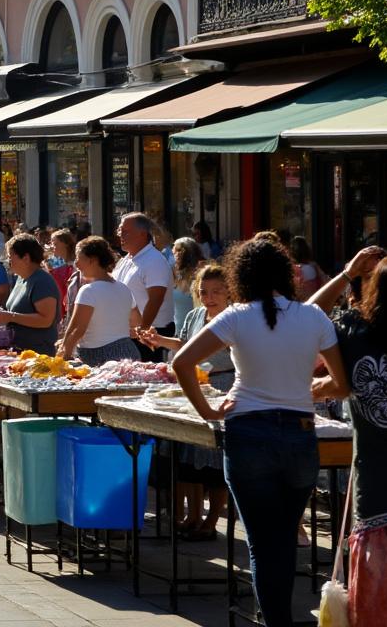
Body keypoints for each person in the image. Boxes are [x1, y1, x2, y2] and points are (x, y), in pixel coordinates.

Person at [170, 239, 346, 627]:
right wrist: (315, 389)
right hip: (299, 433)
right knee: (283, 539)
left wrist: (207, 410)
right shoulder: (314, 317)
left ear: (240, 276)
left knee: (263, 544)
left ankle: (277, 620)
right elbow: (343, 382)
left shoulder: (236, 316)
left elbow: (182, 363)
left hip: (248, 432)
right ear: (285, 274)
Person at [299, 246, 387, 624]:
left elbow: (306, 319)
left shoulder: (356, 332)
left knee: (383, 598)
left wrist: (346, 274)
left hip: (379, 490)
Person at [137, 264, 234, 542]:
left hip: (222, 385)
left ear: (229, 292)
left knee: (214, 459)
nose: (209, 297)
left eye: (216, 291)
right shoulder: (195, 315)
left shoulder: (233, 318)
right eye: (204, 292)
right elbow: (185, 343)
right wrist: (159, 339)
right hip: (194, 387)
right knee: (190, 456)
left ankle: (212, 519)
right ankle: (193, 515)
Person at [57, 237, 142, 365]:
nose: (76, 264)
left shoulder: (88, 291)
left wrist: (65, 355)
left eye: (79, 258)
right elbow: (136, 322)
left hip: (101, 358)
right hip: (129, 352)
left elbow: (78, 329)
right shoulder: (124, 288)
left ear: (92, 261)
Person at [113, 213, 174, 361]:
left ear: (142, 234)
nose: (120, 234)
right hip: (129, 334)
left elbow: (156, 299)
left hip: (150, 335)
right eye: (120, 230)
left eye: (125, 231)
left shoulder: (154, 260)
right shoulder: (126, 260)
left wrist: (143, 330)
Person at [0, 234, 59, 355]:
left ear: (26, 258)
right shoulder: (21, 279)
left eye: (11, 257)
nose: (8, 262)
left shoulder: (42, 281)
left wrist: (10, 316)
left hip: (39, 355)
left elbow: (46, 319)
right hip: (19, 353)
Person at [170, 237, 206, 332]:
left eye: (175, 253)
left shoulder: (200, 277)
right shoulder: (175, 274)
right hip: (178, 333)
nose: (174, 257)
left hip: (197, 333)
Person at [47, 230, 77, 322]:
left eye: (55, 244)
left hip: (70, 307)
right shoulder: (52, 262)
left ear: (66, 244)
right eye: (51, 243)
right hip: (57, 308)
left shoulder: (76, 263)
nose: (52, 247)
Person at [289, 237, 327, 301]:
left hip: (299, 306)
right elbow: (325, 281)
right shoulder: (313, 267)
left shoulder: (292, 270)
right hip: (315, 303)